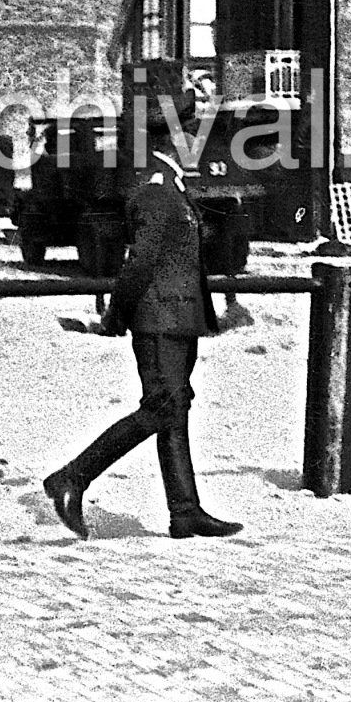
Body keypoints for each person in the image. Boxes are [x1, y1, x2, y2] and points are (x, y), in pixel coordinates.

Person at [42, 131, 242, 541]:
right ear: (174, 141)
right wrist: (117, 315)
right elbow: (142, 261)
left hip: (177, 318)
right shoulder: (155, 189)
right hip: (159, 321)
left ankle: (185, 511)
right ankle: (71, 477)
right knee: (161, 408)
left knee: (174, 408)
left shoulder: (170, 185)